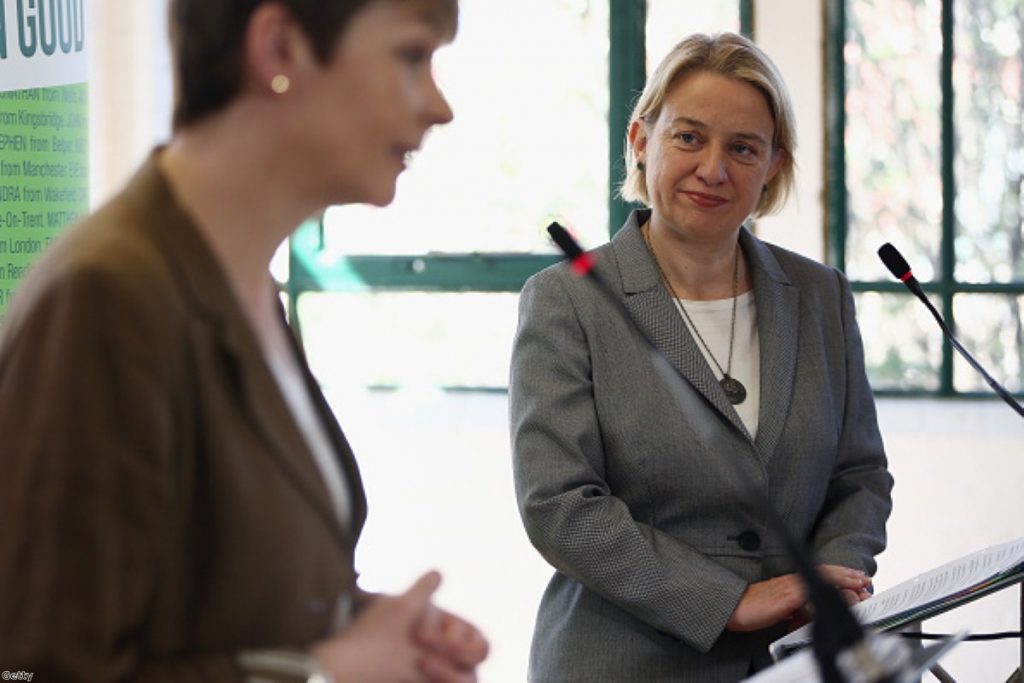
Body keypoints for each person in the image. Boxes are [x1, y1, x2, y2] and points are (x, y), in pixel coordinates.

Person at [0, 1, 488, 681]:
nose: (439, 106)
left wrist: (362, 626)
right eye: (411, 56)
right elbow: (45, 669)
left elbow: (206, 599)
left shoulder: (245, 284)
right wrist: (323, 672)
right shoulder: (108, 296)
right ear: (280, 48)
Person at [509, 32, 893, 681]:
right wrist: (728, 601)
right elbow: (560, 504)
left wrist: (829, 578)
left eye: (743, 147)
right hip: (621, 664)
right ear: (640, 140)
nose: (714, 168)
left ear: (773, 164)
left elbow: (859, 474)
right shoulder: (567, 299)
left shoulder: (820, 295)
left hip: (794, 663)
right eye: (689, 137)